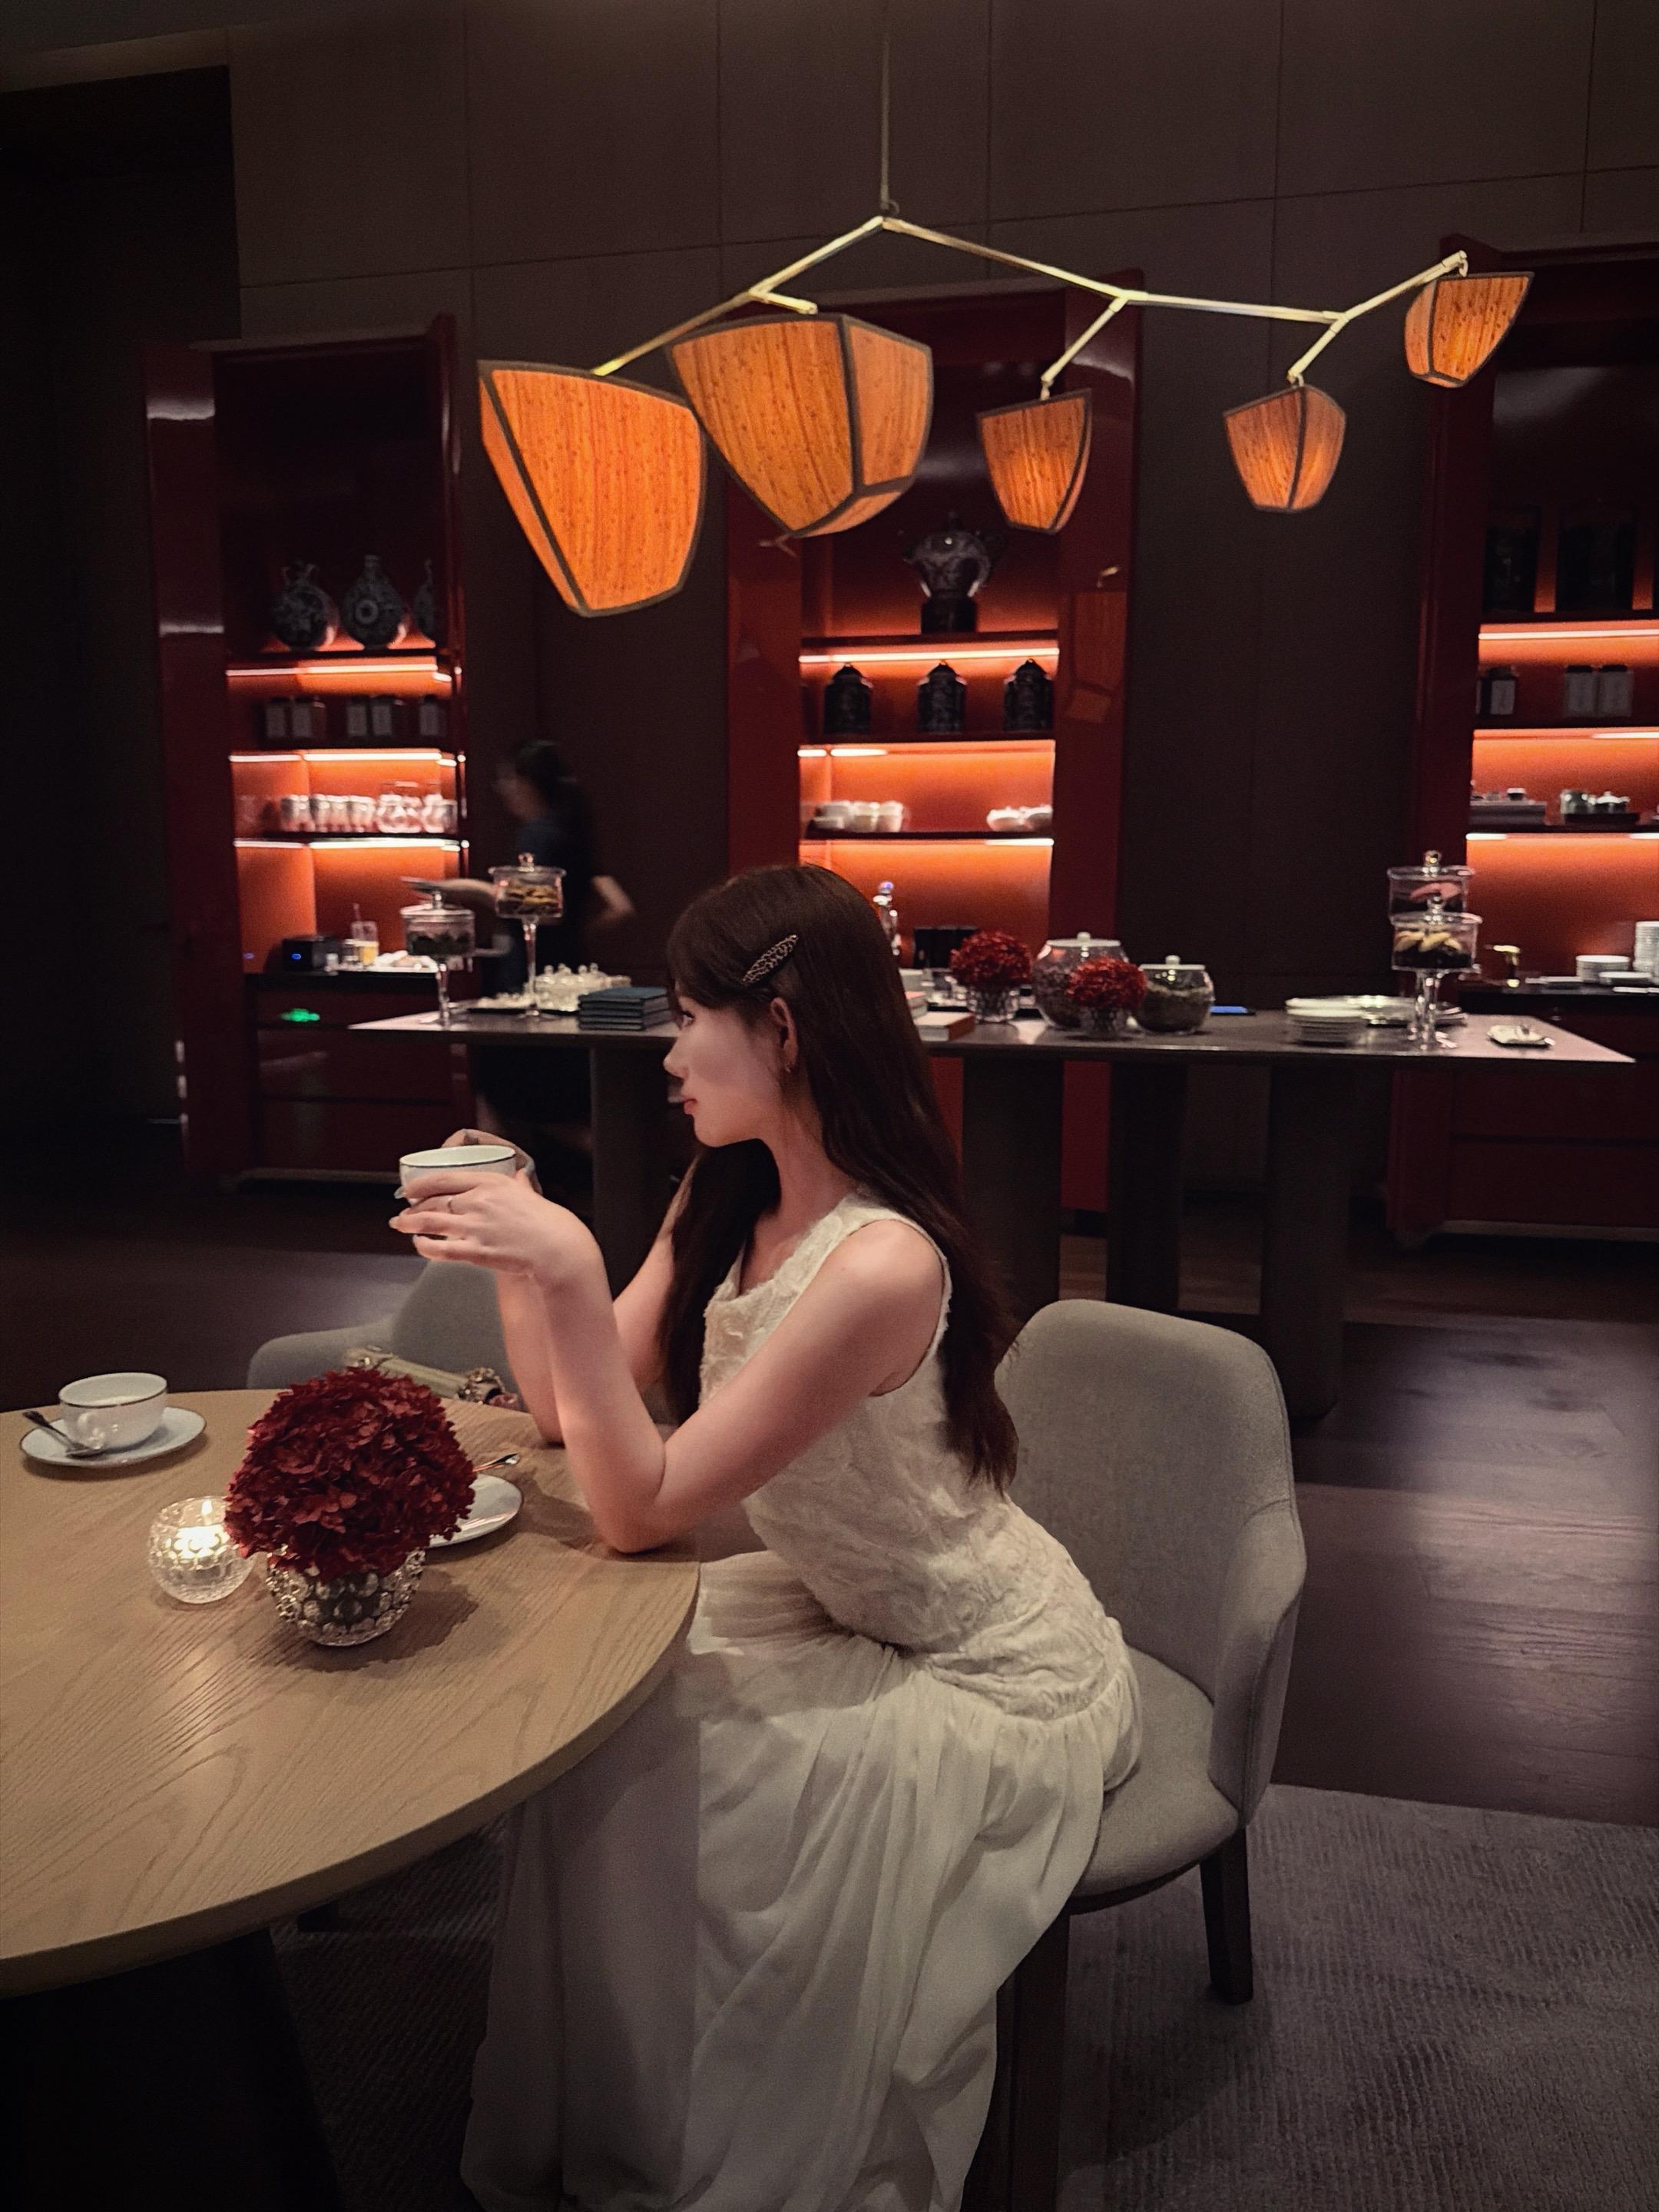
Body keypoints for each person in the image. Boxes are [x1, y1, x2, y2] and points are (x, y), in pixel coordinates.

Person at [391, 863, 1142, 2212]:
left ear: (781, 1029)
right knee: (591, 1723)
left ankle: (692, 2120)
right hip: (835, 1607)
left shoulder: (881, 1264)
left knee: (668, 1773)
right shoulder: (725, 1190)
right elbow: (568, 1415)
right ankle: (634, 2096)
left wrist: (566, 1259)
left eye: (690, 1019)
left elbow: (637, 1511)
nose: (669, 1054)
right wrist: (518, 1260)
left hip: (975, 1663)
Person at [417, 740, 634, 1187]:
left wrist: (460, 889)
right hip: (565, 981)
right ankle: (632, 1179)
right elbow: (619, 907)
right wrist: (574, 937)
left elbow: (528, 905)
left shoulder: (540, 835)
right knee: (542, 1104)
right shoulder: (572, 830)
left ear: (526, 782)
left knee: (506, 1096)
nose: (502, 789)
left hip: (527, 986)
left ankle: (501, 1195)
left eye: (506, 779)